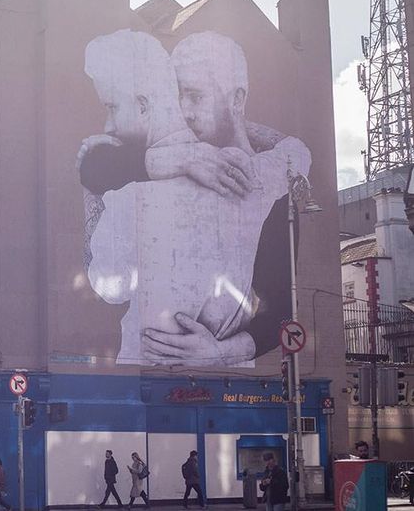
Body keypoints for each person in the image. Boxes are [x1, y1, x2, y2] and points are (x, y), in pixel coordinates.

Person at [80, 30, 310, 367]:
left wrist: (219, 352)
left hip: (178, 375)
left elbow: (281, 309)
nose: (183, 110)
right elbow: (95, 163)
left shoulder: (268, 182)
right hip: (184, 374)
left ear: (237, 100)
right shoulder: (268, 172)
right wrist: (181, 159)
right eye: (176, 96)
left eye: (195, 96)